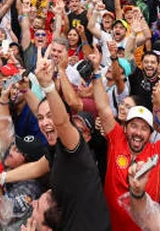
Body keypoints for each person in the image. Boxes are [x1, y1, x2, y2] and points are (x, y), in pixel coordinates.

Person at [90, 43, 160, 230]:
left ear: (150, 132)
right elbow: (103, 109)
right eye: (134, 126)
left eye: (144, 128)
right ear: (125, 128)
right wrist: (97, 72)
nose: (138, 132)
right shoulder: (116, 139)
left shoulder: (159, 153)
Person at [26, 52, 111, 230]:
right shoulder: (58, 149)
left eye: (80, 129)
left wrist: (48, 86)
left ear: (87, 136)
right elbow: (44, 114)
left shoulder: (81, 152)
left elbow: (62, 122)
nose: (75, 131)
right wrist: (0, 177)